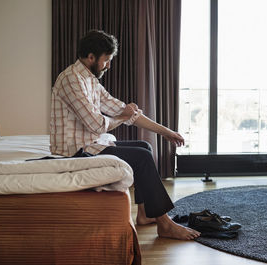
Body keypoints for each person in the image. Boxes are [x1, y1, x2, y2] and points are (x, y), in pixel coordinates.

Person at [50, 30, 200, 240]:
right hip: (76, 152)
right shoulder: (71, 80)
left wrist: (166, 132)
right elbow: (96, 124)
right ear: (91, 57)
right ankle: (164, 224)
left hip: (89, 144)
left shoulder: (90, 80)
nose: (108, 66)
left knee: (144, 147)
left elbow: (123, 111)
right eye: (106, 60)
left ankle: (145, 213)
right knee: (142, 157)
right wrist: (123, 115)